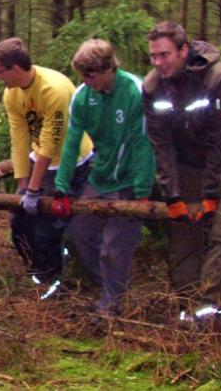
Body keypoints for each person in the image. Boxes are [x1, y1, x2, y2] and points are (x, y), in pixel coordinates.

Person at [142, 21, 221, 325]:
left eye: (164, 55)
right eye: (153, 56)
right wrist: (172, 195)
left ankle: (209, 309)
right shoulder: (152, 87)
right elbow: (161, 145)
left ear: (183, 50)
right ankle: (187, 307)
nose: (158, 62)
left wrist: (210, 194)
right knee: (182, 229)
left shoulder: (219, 79)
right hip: (187, 158)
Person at [52, 39, 156, 318]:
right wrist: (61, 187)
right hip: (100, 175)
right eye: (83, 76)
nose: (86, 81)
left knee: (114, 247)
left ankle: (111, 304)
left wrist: (143, 190)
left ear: (108, 68)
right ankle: (110, 286)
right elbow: (72, 142)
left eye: (91, 75)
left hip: (129, 178)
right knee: (80, 232)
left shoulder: (135, 91)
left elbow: (143, 143)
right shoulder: (83, 96)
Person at [0, 37, 94, 298]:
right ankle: (39, 275)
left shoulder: (53, 89)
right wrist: (22, 184)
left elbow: (51, 142)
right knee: (20, 225)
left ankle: (56, 280)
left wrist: (34, 190)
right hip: (41, 161)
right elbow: (19, 138)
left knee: (49, 227)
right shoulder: (12, 93)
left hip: (72, 163)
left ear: (16, 68)